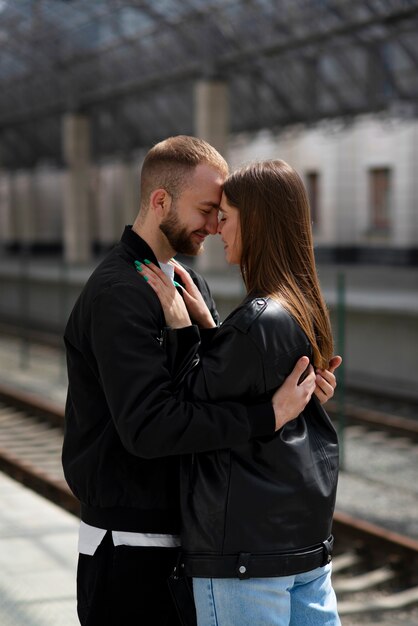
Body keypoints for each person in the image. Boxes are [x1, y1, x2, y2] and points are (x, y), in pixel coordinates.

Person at [62, 136, 340, 626]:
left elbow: (214, 385)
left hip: (189, 542)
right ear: (160, 200)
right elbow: (148, 428)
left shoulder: (188, 285)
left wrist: (295, 385)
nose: (215, 226)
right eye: (207, 210)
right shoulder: (118, 294)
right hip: (133, 549)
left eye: (222, 214)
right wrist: (268, 413)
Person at [137, 159, 342, 625]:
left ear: (257, 222)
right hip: (304, 550)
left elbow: (187, 404)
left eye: (225, 217)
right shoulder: (303, 307)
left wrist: (181, 328)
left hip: (246, 559)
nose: (217, 229)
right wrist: (213, 329)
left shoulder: (256, 320)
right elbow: (240, 382)